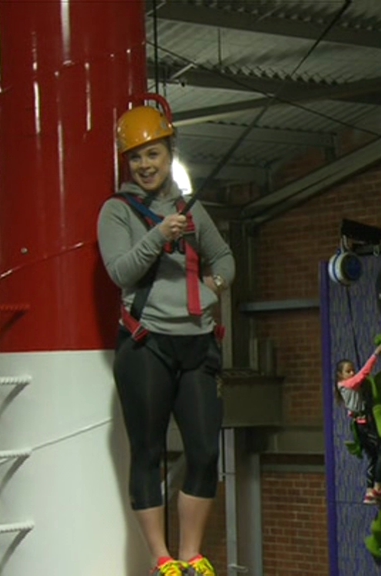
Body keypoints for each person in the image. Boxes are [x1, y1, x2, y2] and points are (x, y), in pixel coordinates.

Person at [97, 103, 235, 576]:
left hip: (198, 344)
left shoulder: (190, 210)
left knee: (205, 451)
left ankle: (192, 554)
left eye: (152, 154)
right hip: (146, 345)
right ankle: (162, 558)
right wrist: (158, 235)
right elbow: (121, 272)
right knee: (148, 451)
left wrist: (214, 287)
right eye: (135, 157)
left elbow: (225, 258)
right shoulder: (116, 212)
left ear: (169, 154)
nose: (144, 165)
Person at [333, 341, 381, 505]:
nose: (352, 372)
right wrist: (376, 353)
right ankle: (378, 488)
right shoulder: (347, 384)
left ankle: (369, 492)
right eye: (348, 371)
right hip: (363, 425)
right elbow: (363, 374)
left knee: (373, 457)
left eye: (353, 369)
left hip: (360, 425)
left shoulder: (344, 386)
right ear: (340, 375)